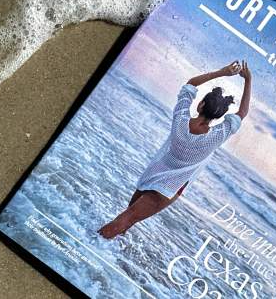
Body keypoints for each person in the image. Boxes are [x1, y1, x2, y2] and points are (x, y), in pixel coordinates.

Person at [98, 60, 252, 239]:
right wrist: (248, 80)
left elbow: (191, 84)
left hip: (153, 174)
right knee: (127, 219)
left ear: (200, 105)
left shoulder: (180, 119)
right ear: (220, 115)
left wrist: (222, 72)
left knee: (126, 217)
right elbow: (242, 113)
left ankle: (101, 246)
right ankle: (91, 243)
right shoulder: (216, 136)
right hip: (170, 188)